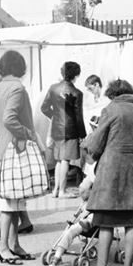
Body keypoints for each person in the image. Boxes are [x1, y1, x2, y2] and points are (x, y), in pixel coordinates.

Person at [83, 79, 133, 266]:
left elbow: (97, 144)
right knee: (132, 222)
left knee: (106, 222)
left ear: (113, 95)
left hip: (112, 172)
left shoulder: (110, 110)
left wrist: (88, 148)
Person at [0, 50, 40, 265]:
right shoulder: (17, 88)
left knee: (15, 200)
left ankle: (14, 245)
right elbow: (10, 119)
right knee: (10, 203)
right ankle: (3, 248)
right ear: (21, 67)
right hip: (15, 149)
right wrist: (27, 134)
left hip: (2, 149)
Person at [41, 61, 87, 197]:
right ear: (76, 74)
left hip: (56, 128)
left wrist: (54, 117)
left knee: (59, 160)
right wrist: (82, 134)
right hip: (71, 128)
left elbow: (44, 108)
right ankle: (62, 191)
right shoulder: (77, 93)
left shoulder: (53, 88)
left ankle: (56, 190)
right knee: (66, 160)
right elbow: (79, 117)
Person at [46, 178, 94, 266]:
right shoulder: (84, 202)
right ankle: (57, 255)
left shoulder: (97, 200)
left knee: (84, 222)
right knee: (68, 231)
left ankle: (86, 223)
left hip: (92, 222)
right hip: (81, 223)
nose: (83, 197)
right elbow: (78, 213)